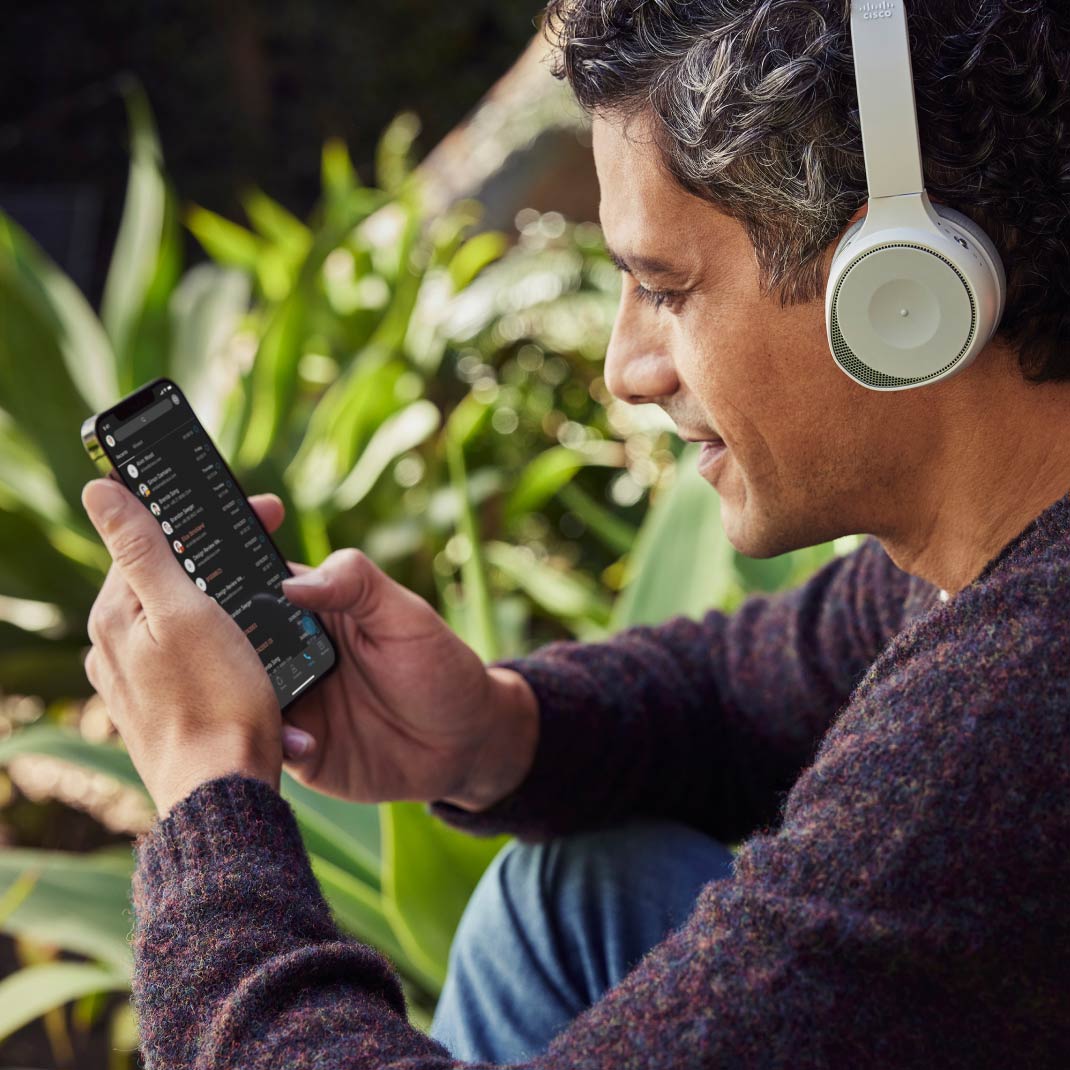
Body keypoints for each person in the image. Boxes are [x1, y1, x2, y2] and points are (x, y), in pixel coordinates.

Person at [80, 1, 1069, 1067]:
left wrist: (207, 791)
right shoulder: (984, 559)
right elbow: (749, 689)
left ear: (902, 286)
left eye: (663, 287)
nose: (626, 368)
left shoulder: (1012, 716)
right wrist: (492, 730)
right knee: (568, 892)